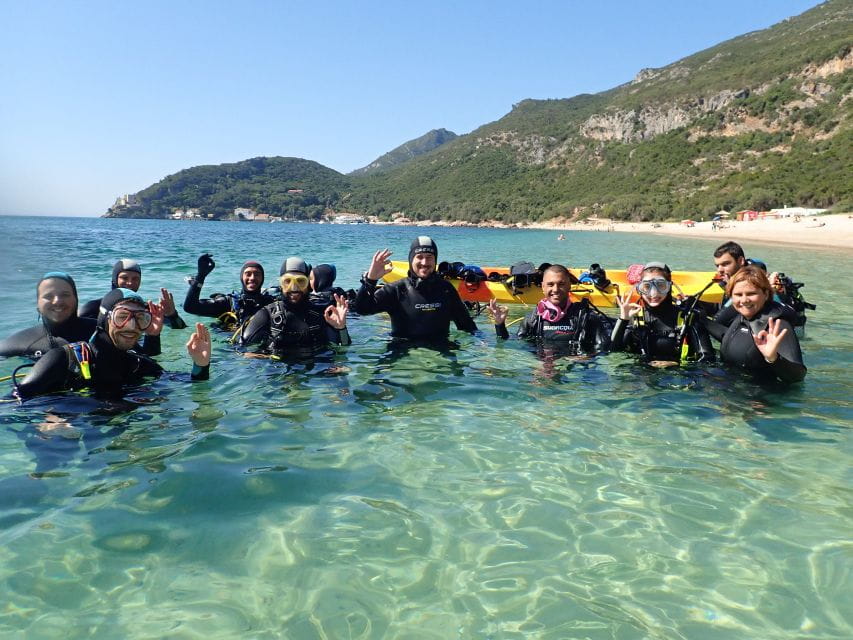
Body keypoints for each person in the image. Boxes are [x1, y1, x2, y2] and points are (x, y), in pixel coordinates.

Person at [13, 288, 211, 399]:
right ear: (104, 319)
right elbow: (13, 402)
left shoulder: (138, 364)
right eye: (122, 317)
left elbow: (191, 384)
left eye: (140, 318)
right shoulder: (63, 359)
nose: (131, 326)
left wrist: (200, 365)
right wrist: (50, 416)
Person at [354, 236, 477, 340]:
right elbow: (362, 309)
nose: (424, 262)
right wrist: (370, 280)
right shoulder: (396, 290)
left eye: (429, 257)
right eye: (419, 256)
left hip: (441, 355)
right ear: (411, 259)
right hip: (403, 356)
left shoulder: (446, 289)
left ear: (435, 260)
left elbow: (467, 326)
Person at [703, 266, 806, 383]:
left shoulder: (777, 324)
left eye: (751, 293)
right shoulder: (742, 317)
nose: (744, 300)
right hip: (731, 388)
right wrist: (702, 320)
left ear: (766, 294)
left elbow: (798, 376)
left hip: (759, 398)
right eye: (738, 294)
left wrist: (773, 358)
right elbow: (729, 337)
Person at [488, 264, 612, 354]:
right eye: (550, 284)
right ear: (543, 287)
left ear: (569, 286)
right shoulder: (533, 319)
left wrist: (586, 357)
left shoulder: (586, 317)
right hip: (543, 368)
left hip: (576, 374)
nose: (556, 289)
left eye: (561, 284)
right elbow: (511, 344)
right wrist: (500, 325)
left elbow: (604, 348)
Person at [240, 257, 350, 356]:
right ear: (281, 285)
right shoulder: (267, 314)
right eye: (287, 281)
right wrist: (263, 357)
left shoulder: (321, 315)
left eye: (300, 281)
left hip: (315, 371)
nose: (294, 287)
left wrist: (341, 328)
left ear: (308, 285)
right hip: (278, 372)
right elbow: (241, 349)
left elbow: (343, 348)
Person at [611, 262, 715, 366]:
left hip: (678, 378)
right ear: (640, 289)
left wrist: (675, 364)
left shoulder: (688, 318)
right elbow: (612, 352)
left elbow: (707, 359)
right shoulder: (635, 318)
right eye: (647, 287)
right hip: (641, 378)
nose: (654, 293)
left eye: (661, 285)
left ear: (669, 286)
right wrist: (623, 319)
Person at [0, 272, 97, 359]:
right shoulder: (19, 343)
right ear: (37, 304)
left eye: (65, 295)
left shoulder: (102, 332)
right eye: (48, 296)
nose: (57, 301)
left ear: (76, 299)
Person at [79, 259, 186, 332]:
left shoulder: (146, 309)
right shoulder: (93, 308)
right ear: (114, 279)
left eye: (135, 279)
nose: (130, 283)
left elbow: (179, 329)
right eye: (124, 278)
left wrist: (172, 314)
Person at [183, 254, 274, 329]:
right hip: (228, 349)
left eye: (257, 274)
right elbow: (190, 307)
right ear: (241, 277)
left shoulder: (271, 304)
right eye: (248, 274)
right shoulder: (228, 303)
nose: (252, 278)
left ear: (262, 278)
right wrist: (200, 276)